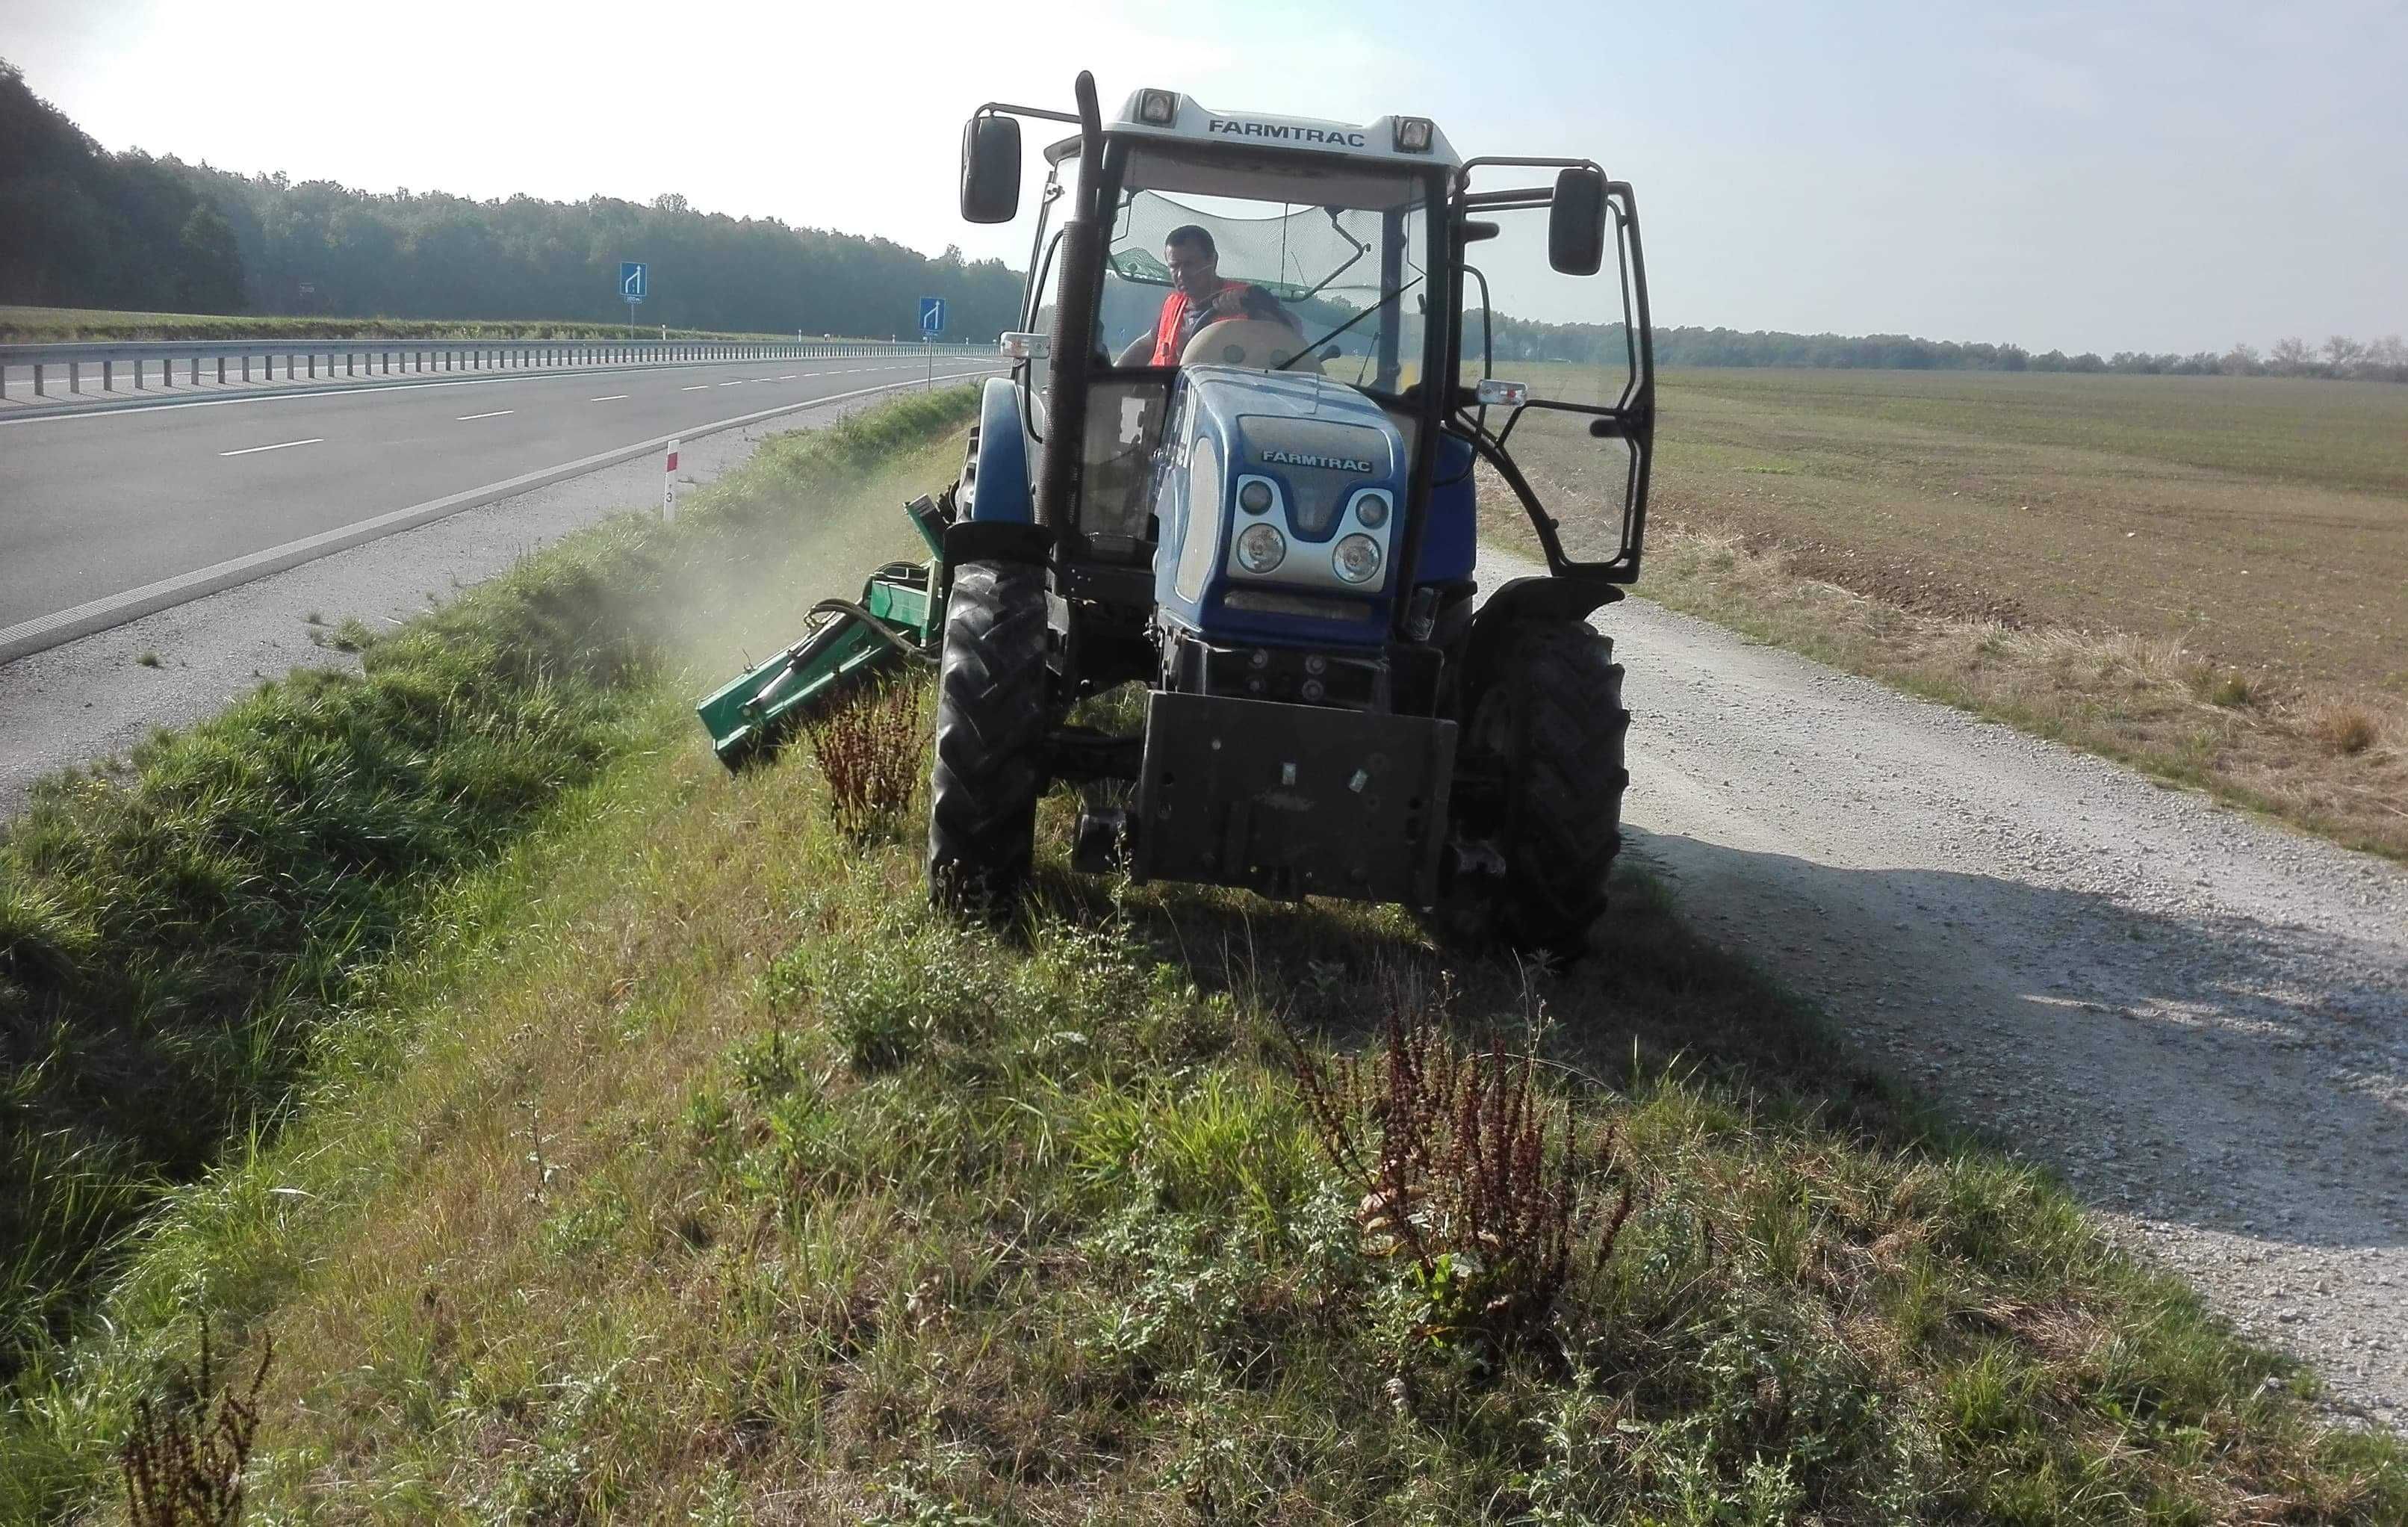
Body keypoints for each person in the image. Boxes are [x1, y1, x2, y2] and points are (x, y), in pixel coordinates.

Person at [1115, 224, 1299, 367]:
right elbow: (1147, 344)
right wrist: (1111, 376)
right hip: (1169, 402)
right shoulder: (1173, 307)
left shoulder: (1250, 296)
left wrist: (1254, 313)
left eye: (1189, 265)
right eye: (1174, 266)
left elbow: (1293, 330)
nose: (1181, 274)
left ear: (1213, 260)